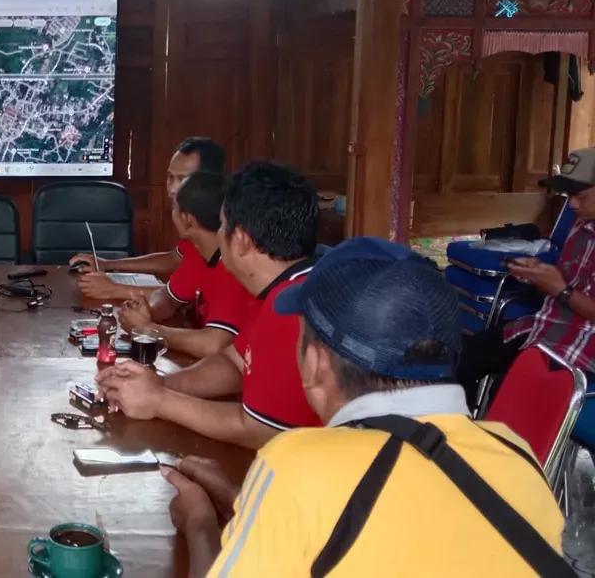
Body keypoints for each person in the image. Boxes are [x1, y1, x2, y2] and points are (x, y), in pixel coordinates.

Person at [164, 237, 566, 577]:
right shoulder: (517, 455)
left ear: (316, 364)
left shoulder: (297, 465)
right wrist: (242, 499)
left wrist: (199, 523)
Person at [96, 161, 322, 449]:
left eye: (223, 227)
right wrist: (159, 385)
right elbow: (234, 362)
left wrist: (159, 401)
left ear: (240, 240)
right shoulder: (282, 288)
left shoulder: (293, 309)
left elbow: (260, 429)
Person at [458, 147, 595, 405]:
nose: (572, 204)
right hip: (548, 324)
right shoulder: (582, 224)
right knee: (462, 359)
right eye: (569, 195)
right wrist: (537, 274)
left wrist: (560, 289)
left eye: (580, 196)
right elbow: (564, 286)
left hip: (586, 344)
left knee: (510, 398)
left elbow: (565, 291)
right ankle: (458, 435)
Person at [71, 137, 225, 302]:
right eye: (170, 177)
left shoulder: (216, 232)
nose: (172, 189)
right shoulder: (191, 229)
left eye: (182, 179)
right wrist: (108, 265)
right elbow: (173, 261)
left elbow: (187, 295)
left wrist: (114, 289)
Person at [118, 171, 253, 358]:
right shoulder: (197, 252)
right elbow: (168, 297)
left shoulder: (233, 266)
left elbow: (213, 345)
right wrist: (148, 312)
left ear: (187, 219)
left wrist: (150, 329)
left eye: (174, 209)